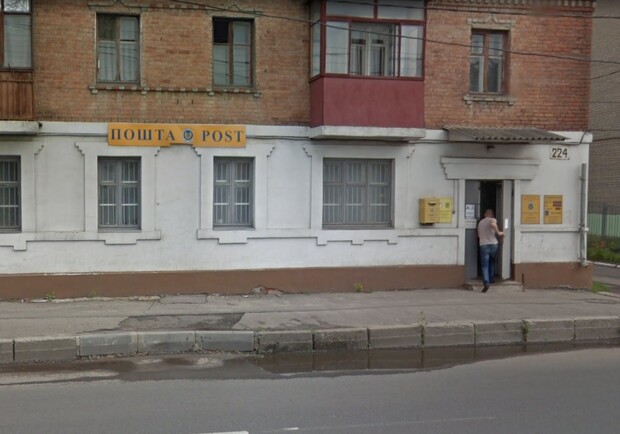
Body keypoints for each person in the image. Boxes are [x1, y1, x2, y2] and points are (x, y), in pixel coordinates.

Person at [477, 209, 504, 293]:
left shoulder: (480, 223)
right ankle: (491, 278)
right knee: (492, 261)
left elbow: (478, 235)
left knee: (484, 265)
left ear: (485, 214)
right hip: (493, 244)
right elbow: (492, 224)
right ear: (492, 214)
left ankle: (486, 282)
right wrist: (498, 233)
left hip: (483, 245)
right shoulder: (492, 219)